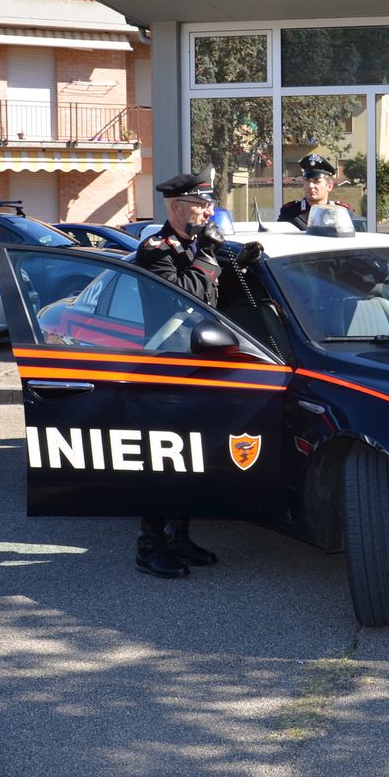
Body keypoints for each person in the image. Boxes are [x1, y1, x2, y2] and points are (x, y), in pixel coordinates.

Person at [128, 172, 261, 579]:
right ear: (175, 207)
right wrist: (206, 257)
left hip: (201, 366)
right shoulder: (156, 249)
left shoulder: (195, 246)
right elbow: (182, 296)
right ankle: (150, 546)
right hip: (167, 367)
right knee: (164, 463)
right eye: (199, 205)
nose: (207, 211)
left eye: (207, 204)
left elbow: (217, 300)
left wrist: (237, 265)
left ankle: (180, 536)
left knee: (192, 462)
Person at [278, 153, 351, 229]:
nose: (311, 186)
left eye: (317, 181)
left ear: (329, 186)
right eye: (307, 181)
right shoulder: (290, 212)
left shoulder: (340, 212)